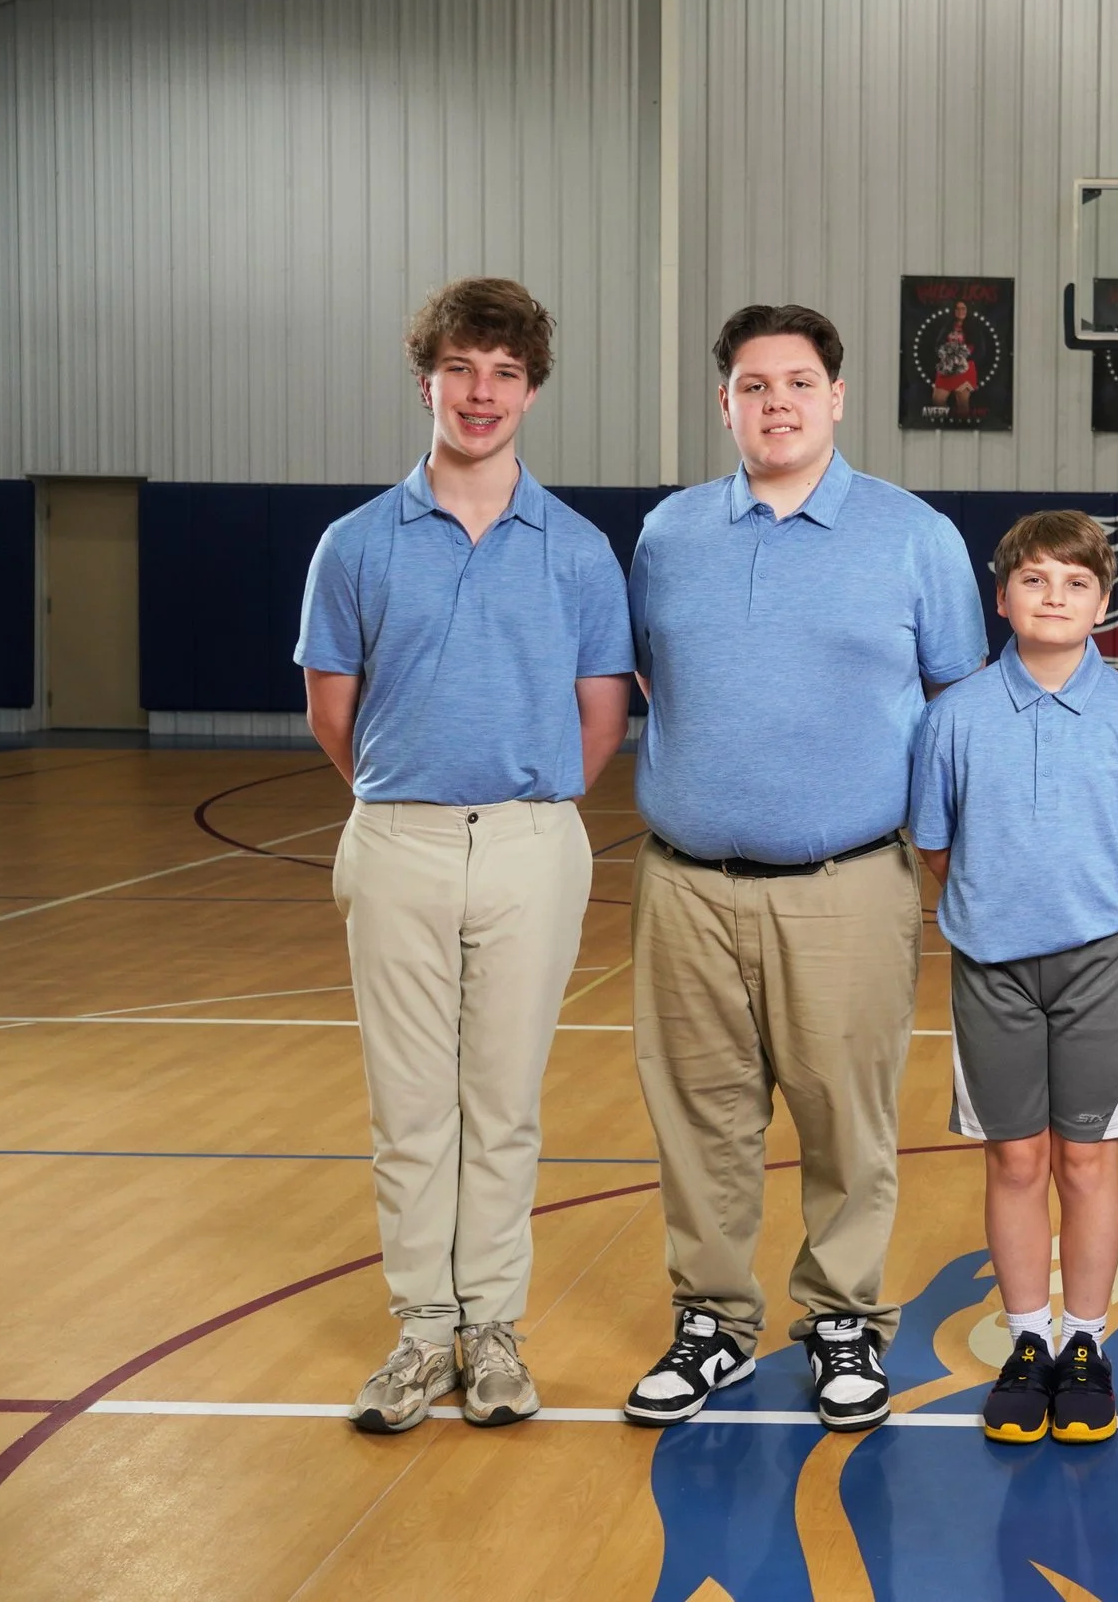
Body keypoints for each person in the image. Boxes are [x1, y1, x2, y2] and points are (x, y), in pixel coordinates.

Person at [620, 303, 986, 1432]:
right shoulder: (671, 534)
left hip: (848, 883)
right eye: (751, 384)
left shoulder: (913, 536)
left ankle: (842, 1321)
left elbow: (959, 705)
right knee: (701, 1120)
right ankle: (714, 1323)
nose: (774, 401)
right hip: (684, 886)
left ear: (837, 397)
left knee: (846, 1119)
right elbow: (647, 679)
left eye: (795, 381)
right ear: (723, 403)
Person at [296, 277, 633, 1435]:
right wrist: (410, 807)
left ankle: (492, 1327)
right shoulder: (353, 543)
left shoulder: (580, 549)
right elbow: (331, 712)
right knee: (408, 1109)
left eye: (504, 372)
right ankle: (419, 1331)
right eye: (461, 369)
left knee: (501, 1105)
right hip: (397, 838)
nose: (480, 392)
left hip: (537, 841)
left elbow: (601, 716)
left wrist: (526, 813)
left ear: (531, 388)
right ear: (427, 377)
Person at [911, 511, 1118, 1445]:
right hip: (991, 968)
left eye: (1075, 584)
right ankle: (1027, 1339)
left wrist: (1082, 912)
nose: (1054, 598)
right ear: (1003, 597)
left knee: (1086, 1157)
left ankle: (1085, 1341)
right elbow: (938, 847)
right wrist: (1004, 914)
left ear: (1104, 603)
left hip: (1100, 968)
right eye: (1034, 581)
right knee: (1017, 1156)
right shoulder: (953, 718)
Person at [932, 298, 979, 415]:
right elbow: (938, 345)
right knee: (937, 401)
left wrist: (963, 358)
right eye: (957, 308)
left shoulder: (974, 327)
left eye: (963, 308)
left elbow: (980, 349)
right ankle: (942, 427)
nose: (960, 311)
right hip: (947, 368)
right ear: (953, 311)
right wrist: (945, 355)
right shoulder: (947, 327)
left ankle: (962, 431)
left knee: (963, 405)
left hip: (964, 369)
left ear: (968, 310)